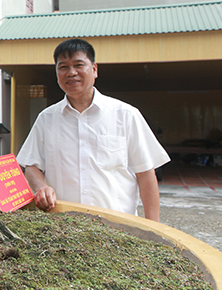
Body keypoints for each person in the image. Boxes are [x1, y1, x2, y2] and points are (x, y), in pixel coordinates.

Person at [16, 38, 170, 221]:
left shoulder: (126, 115)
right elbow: (32, 165)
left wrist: (154, 229)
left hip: (119, 227)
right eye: (63, 67)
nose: (71, 73)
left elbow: (145, 174)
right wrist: (41, 187)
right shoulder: (46, 119)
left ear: (94, 69)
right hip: (63, 226)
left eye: (78, 65)